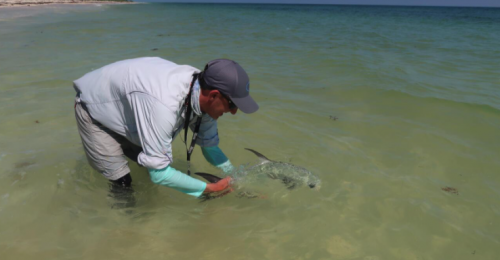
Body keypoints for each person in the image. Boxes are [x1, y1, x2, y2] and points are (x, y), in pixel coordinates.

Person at [73, 57, 258, 200]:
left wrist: (236, 177)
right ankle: (127, 228)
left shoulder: (203, 90)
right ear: (214, 96)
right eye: (232, 105)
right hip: (94, 109)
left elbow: (209, 147)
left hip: (132, 107)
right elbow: (159, 174)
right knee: (123, 183)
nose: (234, 112)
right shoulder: (163, 105)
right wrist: (209, 188)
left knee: (148, 167)